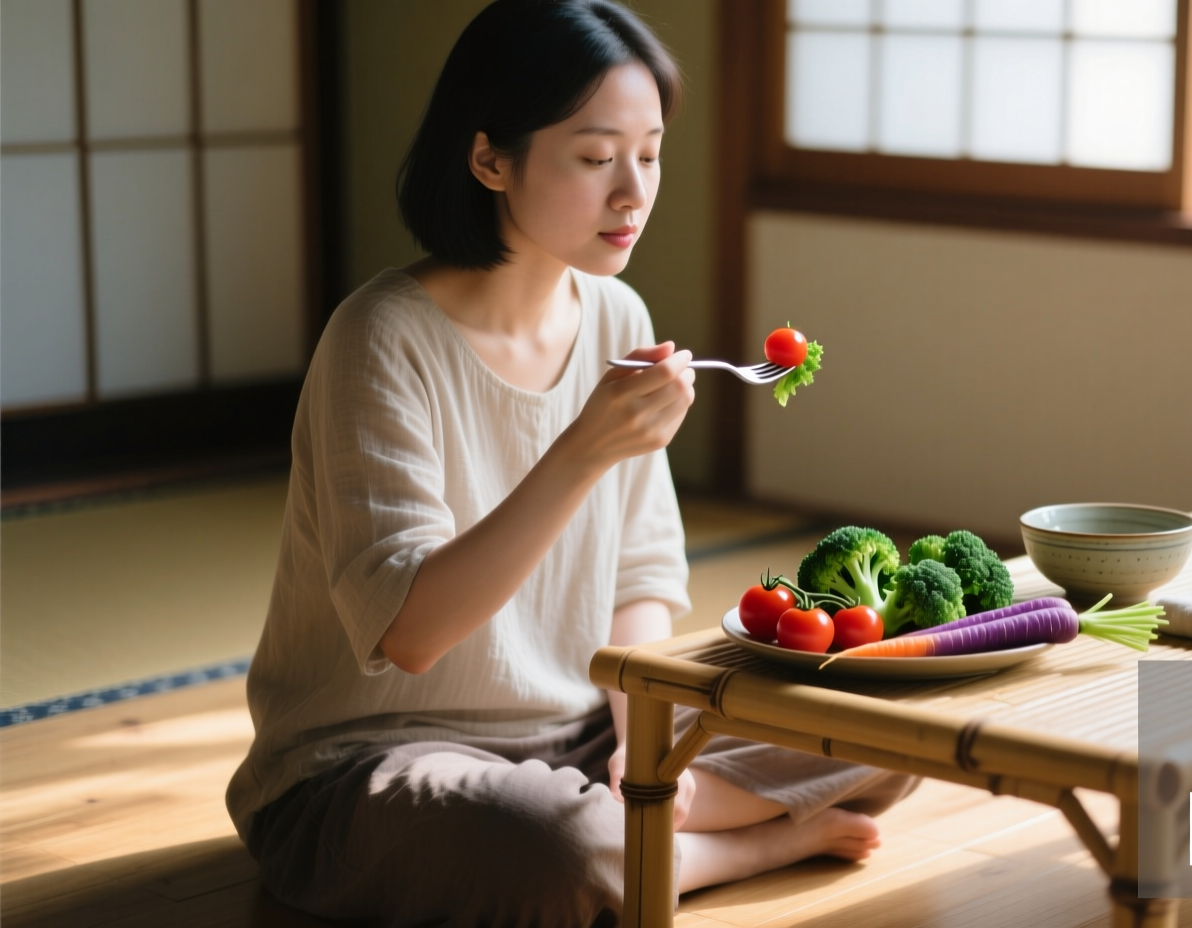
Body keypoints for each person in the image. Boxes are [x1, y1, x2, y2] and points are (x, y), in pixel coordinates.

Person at [225, 2, 913, 924]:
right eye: (595, 159)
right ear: (490, 159)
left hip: (584, 740)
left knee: (893, 730)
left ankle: (653, 824)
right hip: (372, 766)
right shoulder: (380, 338)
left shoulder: (618, 320)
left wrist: (644, 748)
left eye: (651, 153)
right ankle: (736, 842)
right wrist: (584, 448)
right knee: (551, 846)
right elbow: (412, 635)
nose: (633, 192)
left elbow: (639, 573)